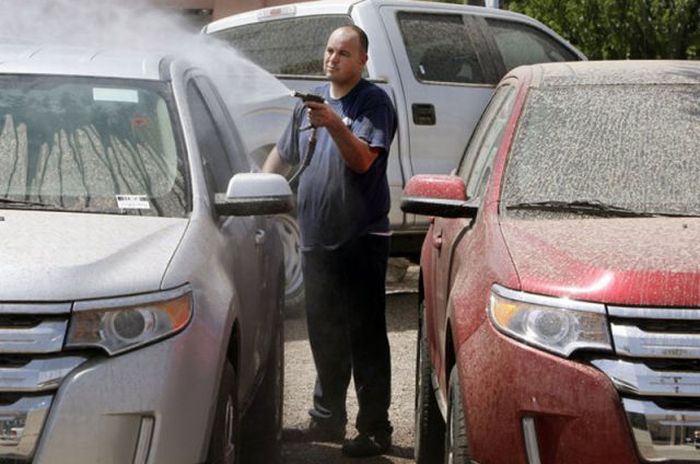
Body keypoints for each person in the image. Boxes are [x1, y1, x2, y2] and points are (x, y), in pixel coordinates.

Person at [263, 25, 397, 458]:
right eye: (329, 50)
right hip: (316, 237)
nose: (332, 59)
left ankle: (375, 428)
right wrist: (261, 193)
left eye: (343, 53)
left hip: (360, 238)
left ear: (362, 61)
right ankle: (327, 419)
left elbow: (361, 162)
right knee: (324, 332)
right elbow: (281, 156)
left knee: (366, 336)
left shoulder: (374, 104)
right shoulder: (310, 104)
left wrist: (336, 123)